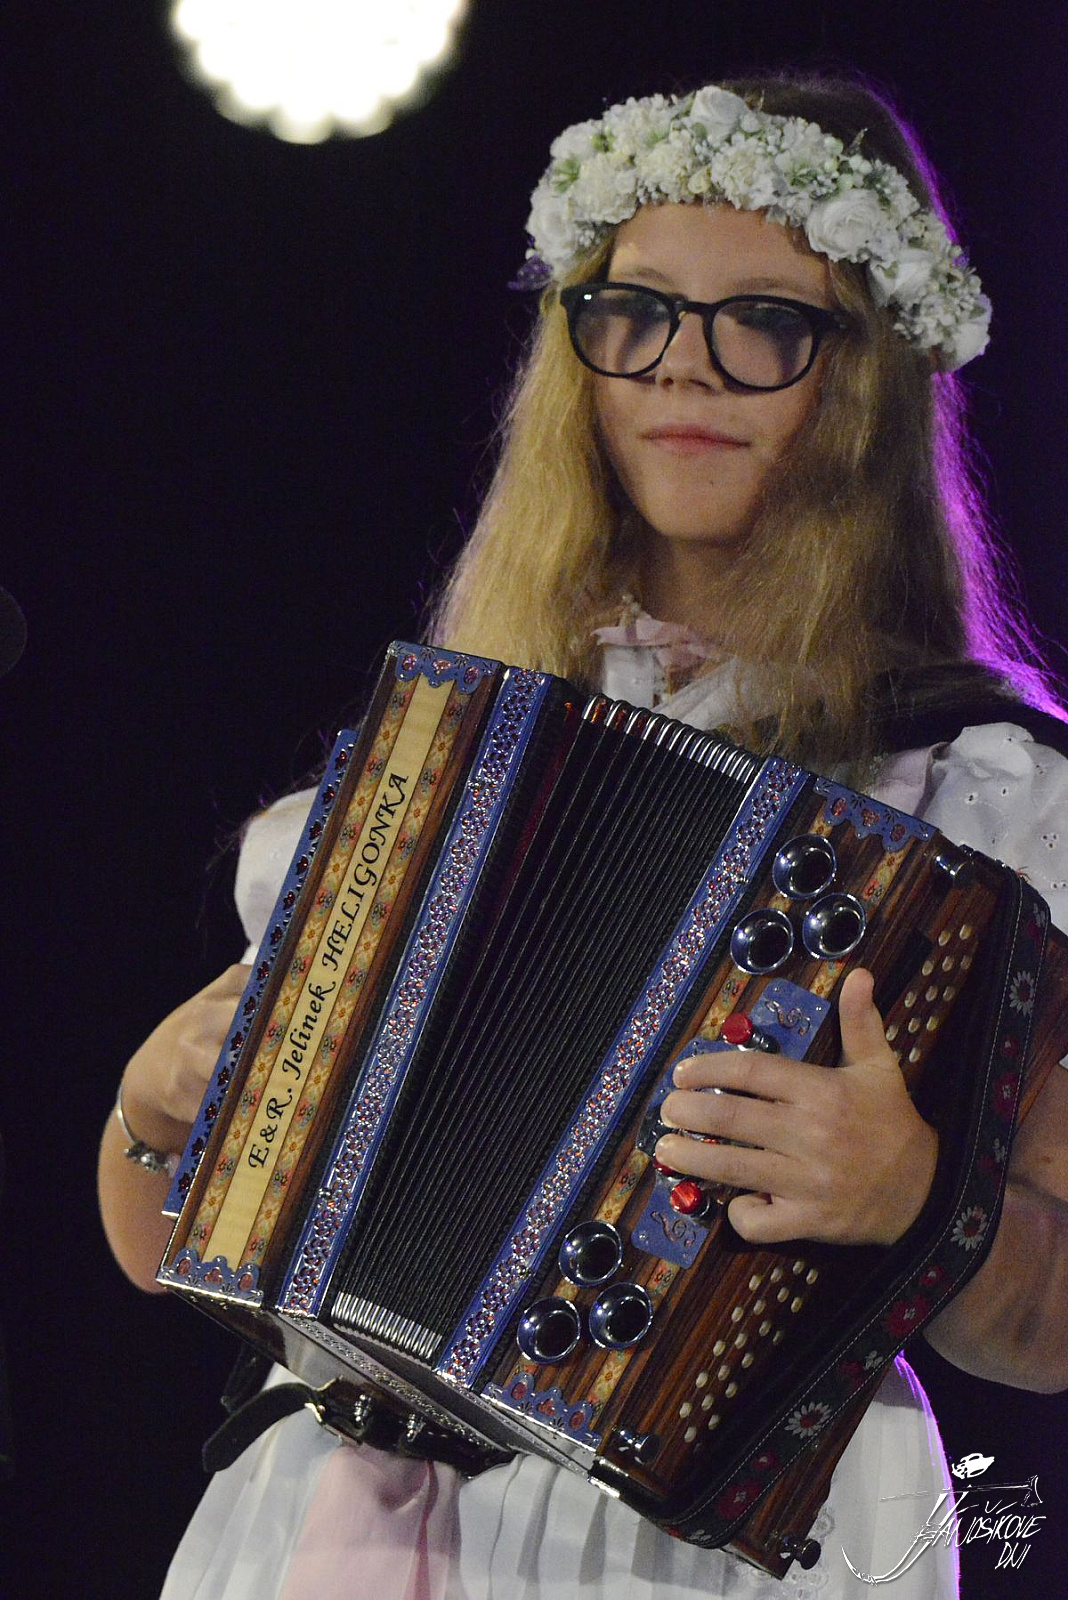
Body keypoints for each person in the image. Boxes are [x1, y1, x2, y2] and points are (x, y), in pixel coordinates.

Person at [98, 72, 1068, 1600]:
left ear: (870, 380)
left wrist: (918, 1200)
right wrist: (152, 1109)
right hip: (315, 1518)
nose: (683, 364)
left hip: (708, 1549)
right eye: (637, 310)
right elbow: (173, 1257)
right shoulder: (437, 754)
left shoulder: (975, 791)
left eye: (764, 321)